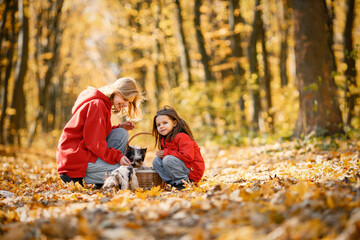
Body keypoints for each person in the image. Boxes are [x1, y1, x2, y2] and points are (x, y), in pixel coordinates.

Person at [56, 77, 145, 186]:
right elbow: (95, 143)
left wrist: (120, 127)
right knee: (124, 171)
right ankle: (85, 176)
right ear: (117, 92)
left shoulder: (103, 105)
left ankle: (101, 173)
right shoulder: (97, 105)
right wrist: (117, 157)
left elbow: (98, 134)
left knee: (121, 133)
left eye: (129, 102)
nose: (126, 105)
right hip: (74, 162)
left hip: (84, 153)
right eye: (125, 99)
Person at [152, 105, 205, 190]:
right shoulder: (165, 139)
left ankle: (184, 183)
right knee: (156, 161)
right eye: (158, 125)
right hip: (182, 168)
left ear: (174, 123)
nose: (161, 126)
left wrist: (166, 153)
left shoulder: (182, 137)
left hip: (192, 172)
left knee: (167, 159)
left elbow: (188, 157)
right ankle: (175, 184)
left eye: (165, 123)